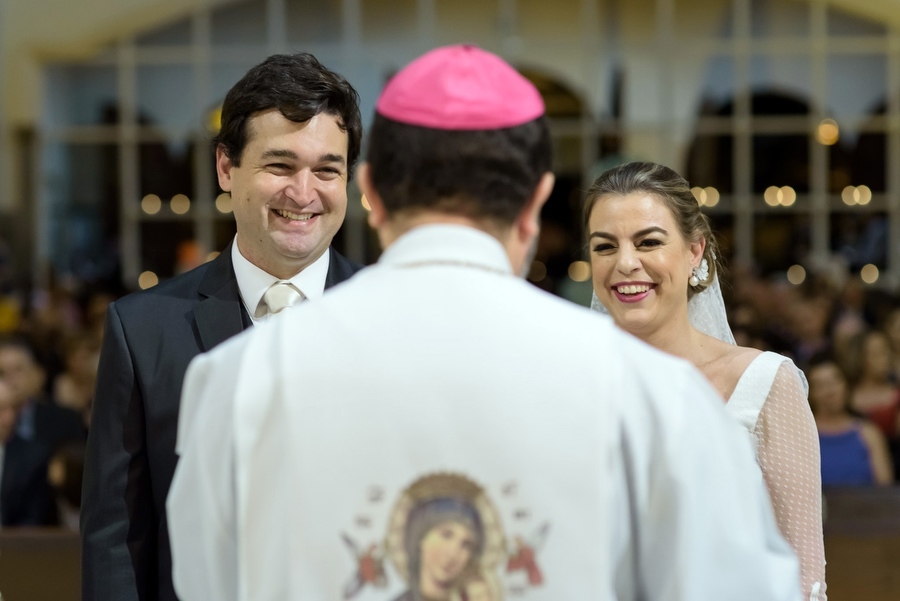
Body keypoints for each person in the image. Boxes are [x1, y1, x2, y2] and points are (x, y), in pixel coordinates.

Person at [168, 45, 801, 601]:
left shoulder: (239, 379)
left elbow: (206, 583)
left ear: (373, 194)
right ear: (533, 205)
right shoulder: (654, 394)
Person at [80, 52, 364, 601]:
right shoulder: (143, 330)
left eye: (327, 169)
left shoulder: (391, 322)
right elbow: (115, 538)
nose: (304, 193)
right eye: (280, 166)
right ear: (226, 169)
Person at [584, 161, 826, 599]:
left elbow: (802, 576)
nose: (625, 263)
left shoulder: (763, 383)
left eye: (649, 242)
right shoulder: (570, 383)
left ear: (694, 251)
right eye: (604, 247)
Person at [807, 354, 893, 486]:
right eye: (820, 385)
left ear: (846, 385)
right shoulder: (804, 434)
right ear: (810, 393)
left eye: (835, 381)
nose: (830, 391)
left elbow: (885, 491)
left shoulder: (868, 433)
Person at [0, 378, 55, 526]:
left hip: (11, 545)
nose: (9, 417)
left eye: (13, 408)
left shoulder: (33, 456)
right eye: (2, 409)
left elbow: (32, 519)